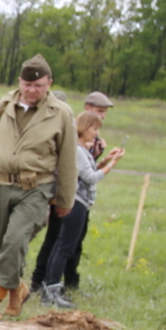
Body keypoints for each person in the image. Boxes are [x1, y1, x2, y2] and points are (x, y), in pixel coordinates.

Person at [0, 54, 77, 321]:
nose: (32, 90)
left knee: (15, 241)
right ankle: (18, 289)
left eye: (38, 85)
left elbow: (67, 159)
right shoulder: (3, 106)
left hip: (35, 188)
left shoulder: (61, 113)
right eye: (28, 85)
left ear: (49, 83)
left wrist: (64, 199)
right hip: (0, 183)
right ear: (20, 82)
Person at [33, 90, 116, 292]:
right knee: (58, 239)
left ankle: (64, 282)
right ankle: (44, 281)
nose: (102, 116)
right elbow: (78, 169)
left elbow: (84, 166)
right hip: (65, 195)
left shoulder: (84, 134)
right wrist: (109, 164)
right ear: (87, 110)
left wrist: (98, 155)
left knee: (71, 242)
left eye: (104, 112)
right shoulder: (72, 128)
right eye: (99, 111)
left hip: (74, 194)